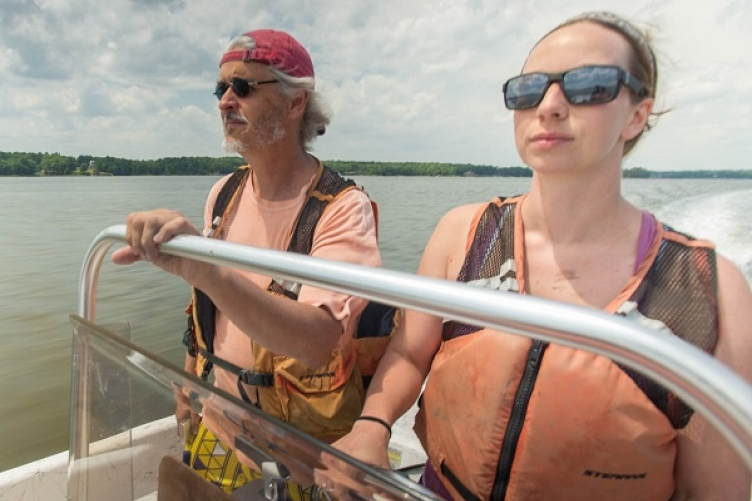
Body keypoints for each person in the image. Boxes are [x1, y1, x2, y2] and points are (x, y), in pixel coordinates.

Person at [332, 11, 752, 501]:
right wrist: (373, 425)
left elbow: (717, 488)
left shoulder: (706, 292)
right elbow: (410, 350)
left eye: (590, 85)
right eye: (529, 89)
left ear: (637, 114)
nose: (549, 106)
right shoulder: (463, 236)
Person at [112, 28, 381, 496]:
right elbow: (207, 310)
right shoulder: (224, 193)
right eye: (221, 89)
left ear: (297, 103)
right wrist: (189, 378)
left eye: (243, 87)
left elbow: (318, 341)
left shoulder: (342, 208)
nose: (225, 101)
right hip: (216, 424)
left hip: (298, 450)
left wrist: (205, 269)